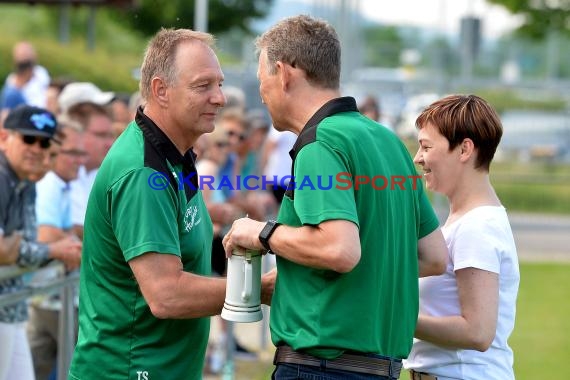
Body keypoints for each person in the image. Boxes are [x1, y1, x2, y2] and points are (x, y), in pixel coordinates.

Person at [222, 15, 447, 380]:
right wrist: (305, 271)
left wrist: (261, 233)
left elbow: (340, 250)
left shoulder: (320, 142)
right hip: (380, 368)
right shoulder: (388, 141)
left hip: (322, 367)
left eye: (262, 77)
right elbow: (433, 256)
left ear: (284, 73)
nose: (260, 91)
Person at [68, 28, 275, 380]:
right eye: (203, 86)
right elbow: (167, 295)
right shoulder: (141, 172)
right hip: (127, 371)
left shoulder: (177, 155)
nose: (220, 98)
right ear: (160, 90)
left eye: (220, 84)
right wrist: (258, 287)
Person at [404, 94, 520, 380]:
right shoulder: (465, 221)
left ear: (465, 149)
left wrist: (392, 315)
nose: (418, 158)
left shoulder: (476, 226)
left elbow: (477, 332)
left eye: (426, 147)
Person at [0, 105, 82, 380]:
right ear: (4, 138)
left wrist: (19, 248)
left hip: (12, 309)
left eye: (44, 142)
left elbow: (21, 244)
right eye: (28, 139)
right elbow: (2, 250)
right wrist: (52, 250)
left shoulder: (25, 182)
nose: (37, 148)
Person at [28, 116, 86, 380]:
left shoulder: (60, 184)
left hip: (48, 294)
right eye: (72, 152)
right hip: (47, 296)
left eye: (81, 152)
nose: (79, 160)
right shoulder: (49, 183)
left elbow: (65, 232)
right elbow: (46, 233)